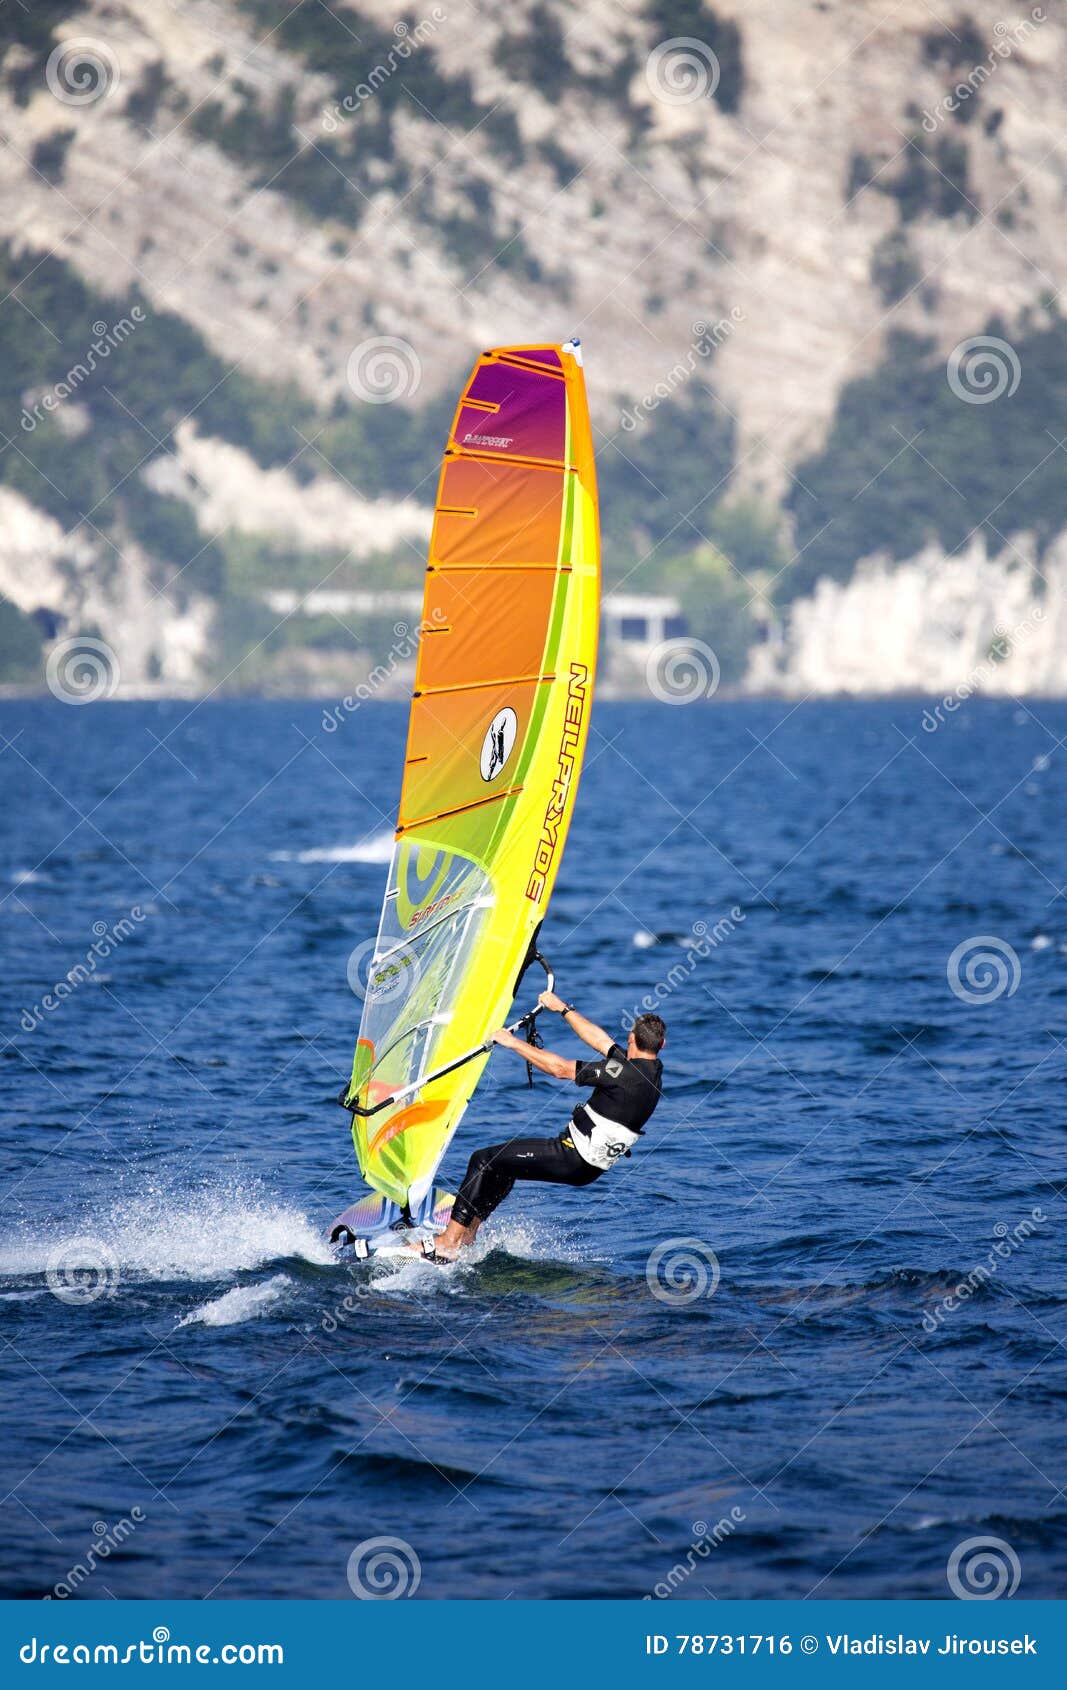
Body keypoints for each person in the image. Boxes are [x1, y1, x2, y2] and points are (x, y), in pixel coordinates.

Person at [408, 992, 665, 1260]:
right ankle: (468, 1236)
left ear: (631, 1039)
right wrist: (563, 1009)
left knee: (483, 1160)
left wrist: (512, 1043)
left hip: (572, 1156)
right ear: (661, 1044)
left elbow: (560, 1069)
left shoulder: (622, 1073)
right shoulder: (653, 1071)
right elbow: (602, 1041)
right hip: (589, 1166)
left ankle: (448, 1241)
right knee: (504, 1168)